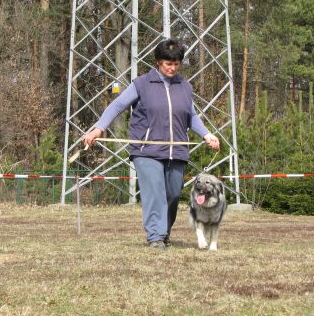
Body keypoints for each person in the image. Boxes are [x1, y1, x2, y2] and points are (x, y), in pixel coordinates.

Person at [82, 38, 220, 249]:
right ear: (158, 62)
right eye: (168, 63)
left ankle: (163, 232)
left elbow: (191, 115)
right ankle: (155, 236)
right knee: (155, 192)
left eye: (176, 64)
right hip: (146, 150)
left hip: (177, 150)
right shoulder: (142, 84)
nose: (172, 68)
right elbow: (117, 105)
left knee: (173, 195)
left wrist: (206, 134)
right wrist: (99, 128)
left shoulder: (184, 86)